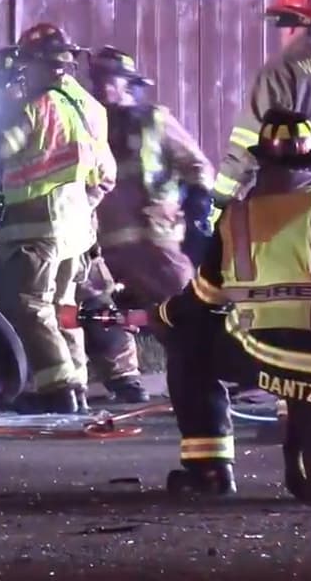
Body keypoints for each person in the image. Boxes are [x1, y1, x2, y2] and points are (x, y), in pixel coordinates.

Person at [154, 108, 311, 511]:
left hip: (258, 355)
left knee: (188, 344)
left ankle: (210, 472)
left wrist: (164, 316)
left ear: (261, 162)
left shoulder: (236, 217)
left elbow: (204, 297)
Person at [0, 24, 111, 414]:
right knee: (63, 307)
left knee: (32, 305)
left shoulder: (36, 107)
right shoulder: (89, 108)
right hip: (77, 224)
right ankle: (77, 386)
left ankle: (57, 389)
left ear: (39, 65)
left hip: (38, 221)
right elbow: (103, 171)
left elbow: (0, 149)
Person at [83, 46, 215, 403]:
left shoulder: (154, 120)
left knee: (187, 310)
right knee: (101, 310)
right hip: (102, 243)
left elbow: (196, 165)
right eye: (97, 79)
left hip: (155, 241)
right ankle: (125, 380)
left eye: (110, 79)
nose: (102, 87)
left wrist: (199, 199)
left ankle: (202, 377)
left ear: (128, 83)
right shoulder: (88, 125)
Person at [211, 0, 311, 208]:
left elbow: (245, 154)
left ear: (290, 25)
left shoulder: (280, 74)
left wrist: (216, 208)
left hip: (300, 219)